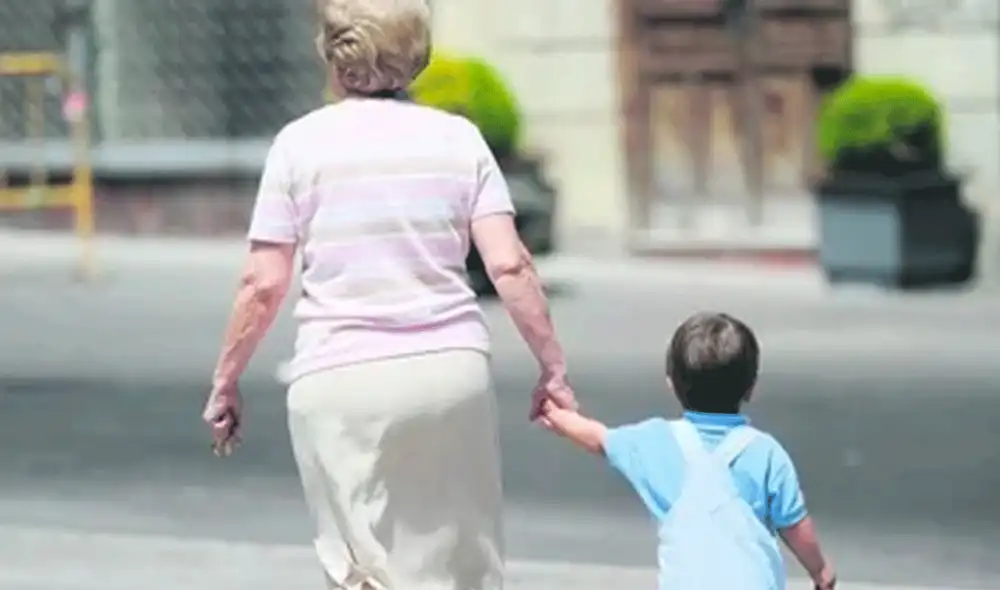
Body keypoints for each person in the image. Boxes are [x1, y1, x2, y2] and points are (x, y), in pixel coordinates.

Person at [200, 0, 577, 588]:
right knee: (460, 565)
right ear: (418, 54)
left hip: (338, 380)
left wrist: (226, 381)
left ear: (330, 51)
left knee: (362, 571)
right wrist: (552, 367)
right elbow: (510, 265)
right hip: (449, 377)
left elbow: (263, 282)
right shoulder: (460, 140)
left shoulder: (297, 146)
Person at [540, 311, 836, 590]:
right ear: (751, 386)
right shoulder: (766, 452)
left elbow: (598, 438)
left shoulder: (655, 441)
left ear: (671, 382)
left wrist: (556, 413)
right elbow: (795, 526)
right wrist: (820, 571)